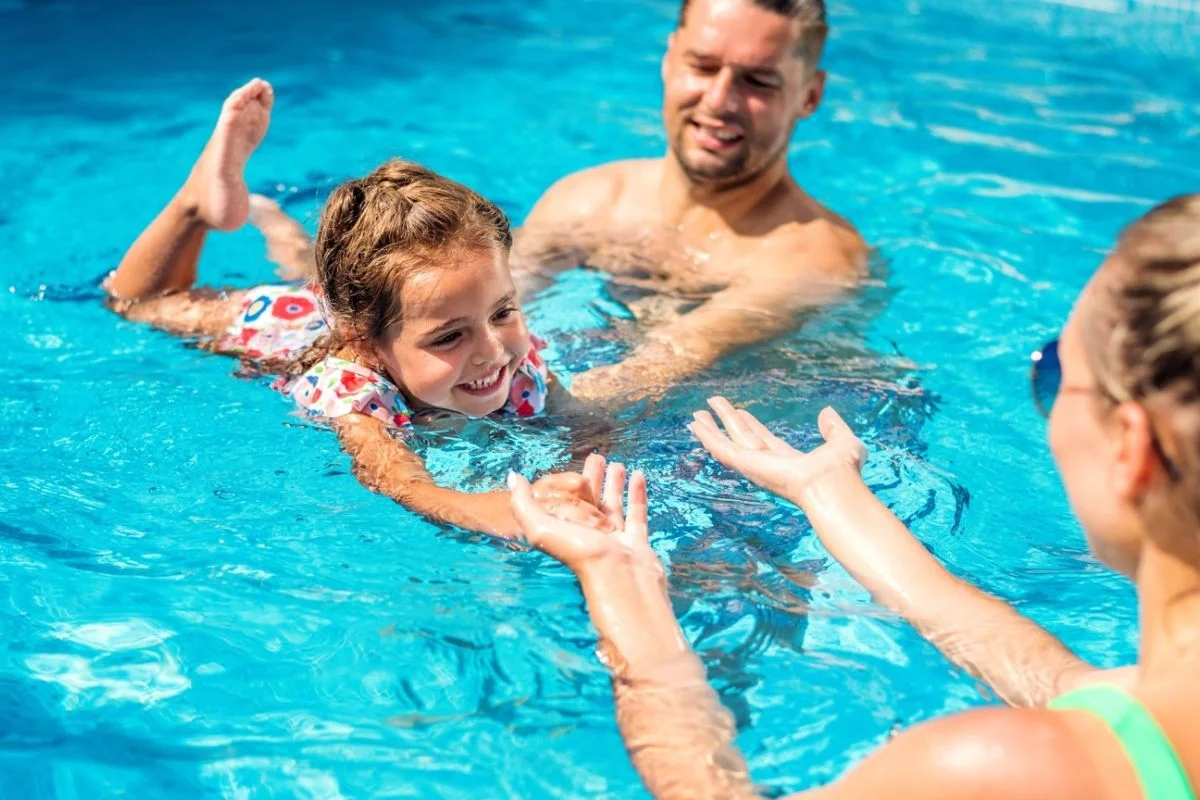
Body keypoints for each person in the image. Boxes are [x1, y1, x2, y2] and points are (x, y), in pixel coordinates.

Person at [508, 197, 1200, 797]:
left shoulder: (994, 769)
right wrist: (829, 493)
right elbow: (1076, 687)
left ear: (1131, 449)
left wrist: (621, 583)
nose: (1044, 394)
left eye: (1052, 374)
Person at [255, 0, 870, 402]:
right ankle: (261, 217)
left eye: (759, 81)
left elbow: (656, 372)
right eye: (703, 67)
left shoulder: (809, 259)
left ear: (810, 95)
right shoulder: (591, 199)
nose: (719, 100)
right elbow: (453, 302)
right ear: (668, 60)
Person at [104, 79, 596, 539]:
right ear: (365, 342)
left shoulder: (510, 351)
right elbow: (402, 483)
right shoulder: (354, 390)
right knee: (139, 303)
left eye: (502, 311)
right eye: (449, 337)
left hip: (365, 303)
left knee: (313, 265)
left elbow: (587, 429)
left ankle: (275, 224)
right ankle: (195, 205)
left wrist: (578, 483)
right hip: (286, 327)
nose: (493, 351)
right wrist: (496, 510)